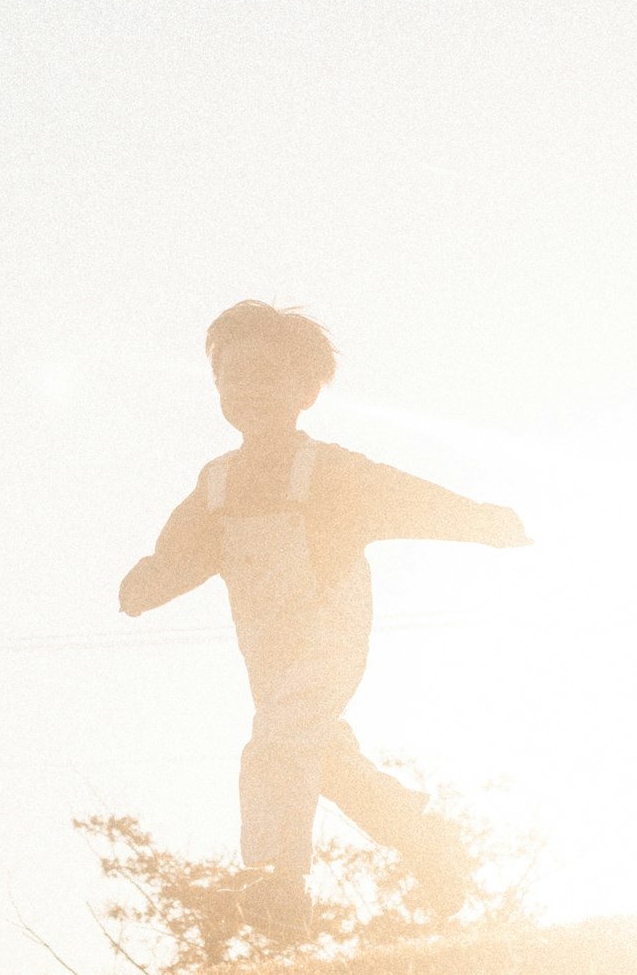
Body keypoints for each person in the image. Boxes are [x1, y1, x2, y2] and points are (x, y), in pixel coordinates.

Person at [117, 301, 529, 939]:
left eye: (267, 374)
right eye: (233, 377)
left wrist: (478, 521)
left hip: (328, 640)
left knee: (278, 745)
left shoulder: (330, 472)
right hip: (268, 657)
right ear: (218, 389)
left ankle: (277, 883)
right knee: (326, 762)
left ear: (306, 390)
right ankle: (425, 839)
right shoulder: (217, 485)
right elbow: (184, 552)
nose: (249, 390)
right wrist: (149, 582)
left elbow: (409, 499)